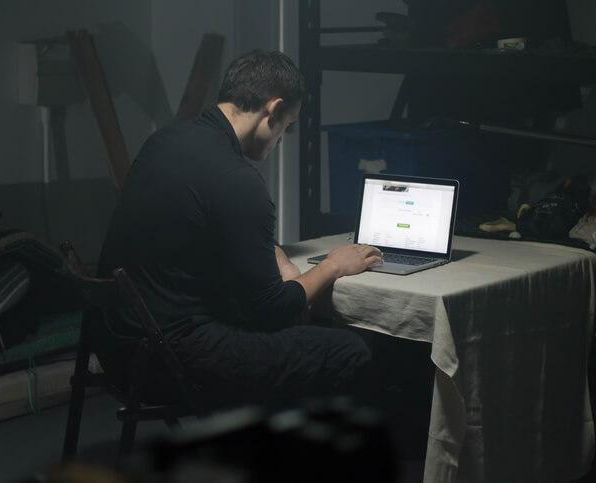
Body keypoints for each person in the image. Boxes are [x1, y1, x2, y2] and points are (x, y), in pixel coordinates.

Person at [94, 50, 383, 409]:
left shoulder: (165, 141)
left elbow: (213, 226)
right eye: (288, 126)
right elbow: (272, 310)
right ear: (273, 110)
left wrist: (275, 254)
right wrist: (332, 266)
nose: (282, 139)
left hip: (118, 346)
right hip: (168, 362)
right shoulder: (236, 179)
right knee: (348, 350)